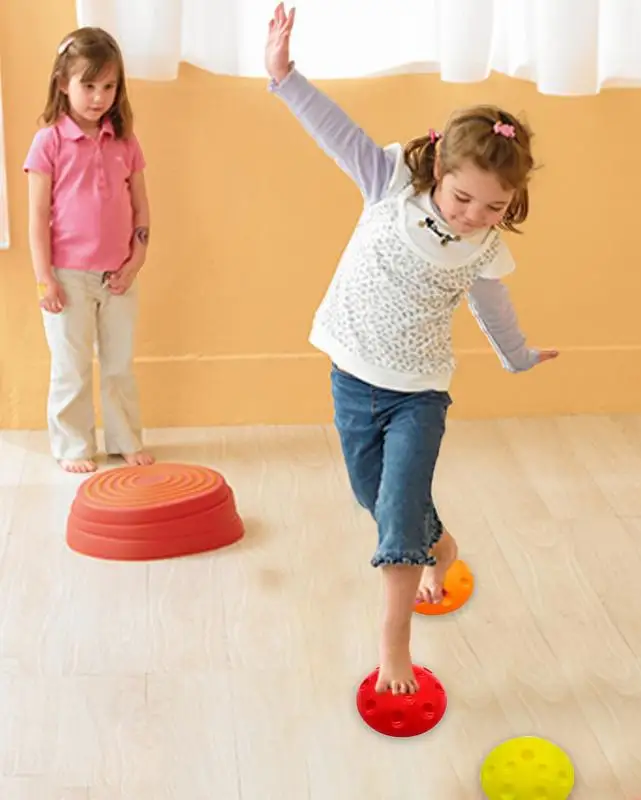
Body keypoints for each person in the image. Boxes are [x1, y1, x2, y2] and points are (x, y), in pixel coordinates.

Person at [265, 4, 559, 695]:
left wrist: (517, 357)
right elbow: (334, 131)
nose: (472, 216)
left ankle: (393, 642)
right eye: (462, 199)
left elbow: (495, 309)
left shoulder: (484, 246)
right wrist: (283, 76)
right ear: (439, 174)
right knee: (375, 498)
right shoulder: (390, 184)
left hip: (420, 392)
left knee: (394, 516)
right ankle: (442, 545)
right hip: (352, 377)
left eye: (493, 207)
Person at [24, 27, 154, 474]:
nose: (99, 97)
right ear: (63, 83)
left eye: (108, 86)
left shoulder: (125, 141)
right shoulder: (49, 142)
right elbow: (37, 218)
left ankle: (124, 439)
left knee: (118, 365)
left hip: (118, 276)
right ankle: (73, 445)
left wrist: (136, 261)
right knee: (72, 368)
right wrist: (46, 278)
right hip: (67, 277)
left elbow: (141, 208)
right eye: (88, 85)